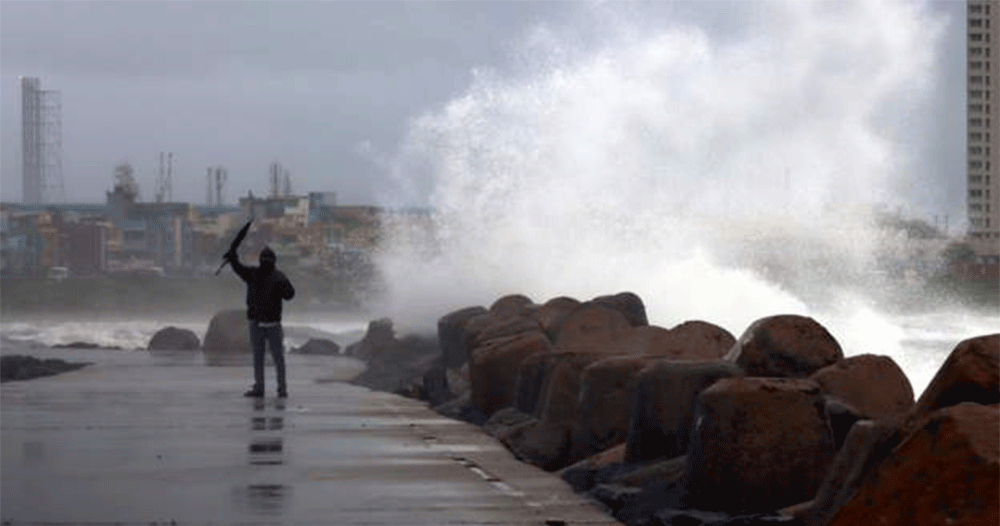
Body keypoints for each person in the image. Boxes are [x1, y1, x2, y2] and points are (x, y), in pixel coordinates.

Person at [225, 246, 296, 398]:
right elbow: (290, 295)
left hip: (257, 324)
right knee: (278, 359)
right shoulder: (279, 276)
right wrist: (233, 259)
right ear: (274, 261)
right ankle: (281, 389)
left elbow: (239, 269)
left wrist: (232, 258)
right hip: (272, 324)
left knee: (259, 358)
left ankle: (260, 388)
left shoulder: (253, 274)